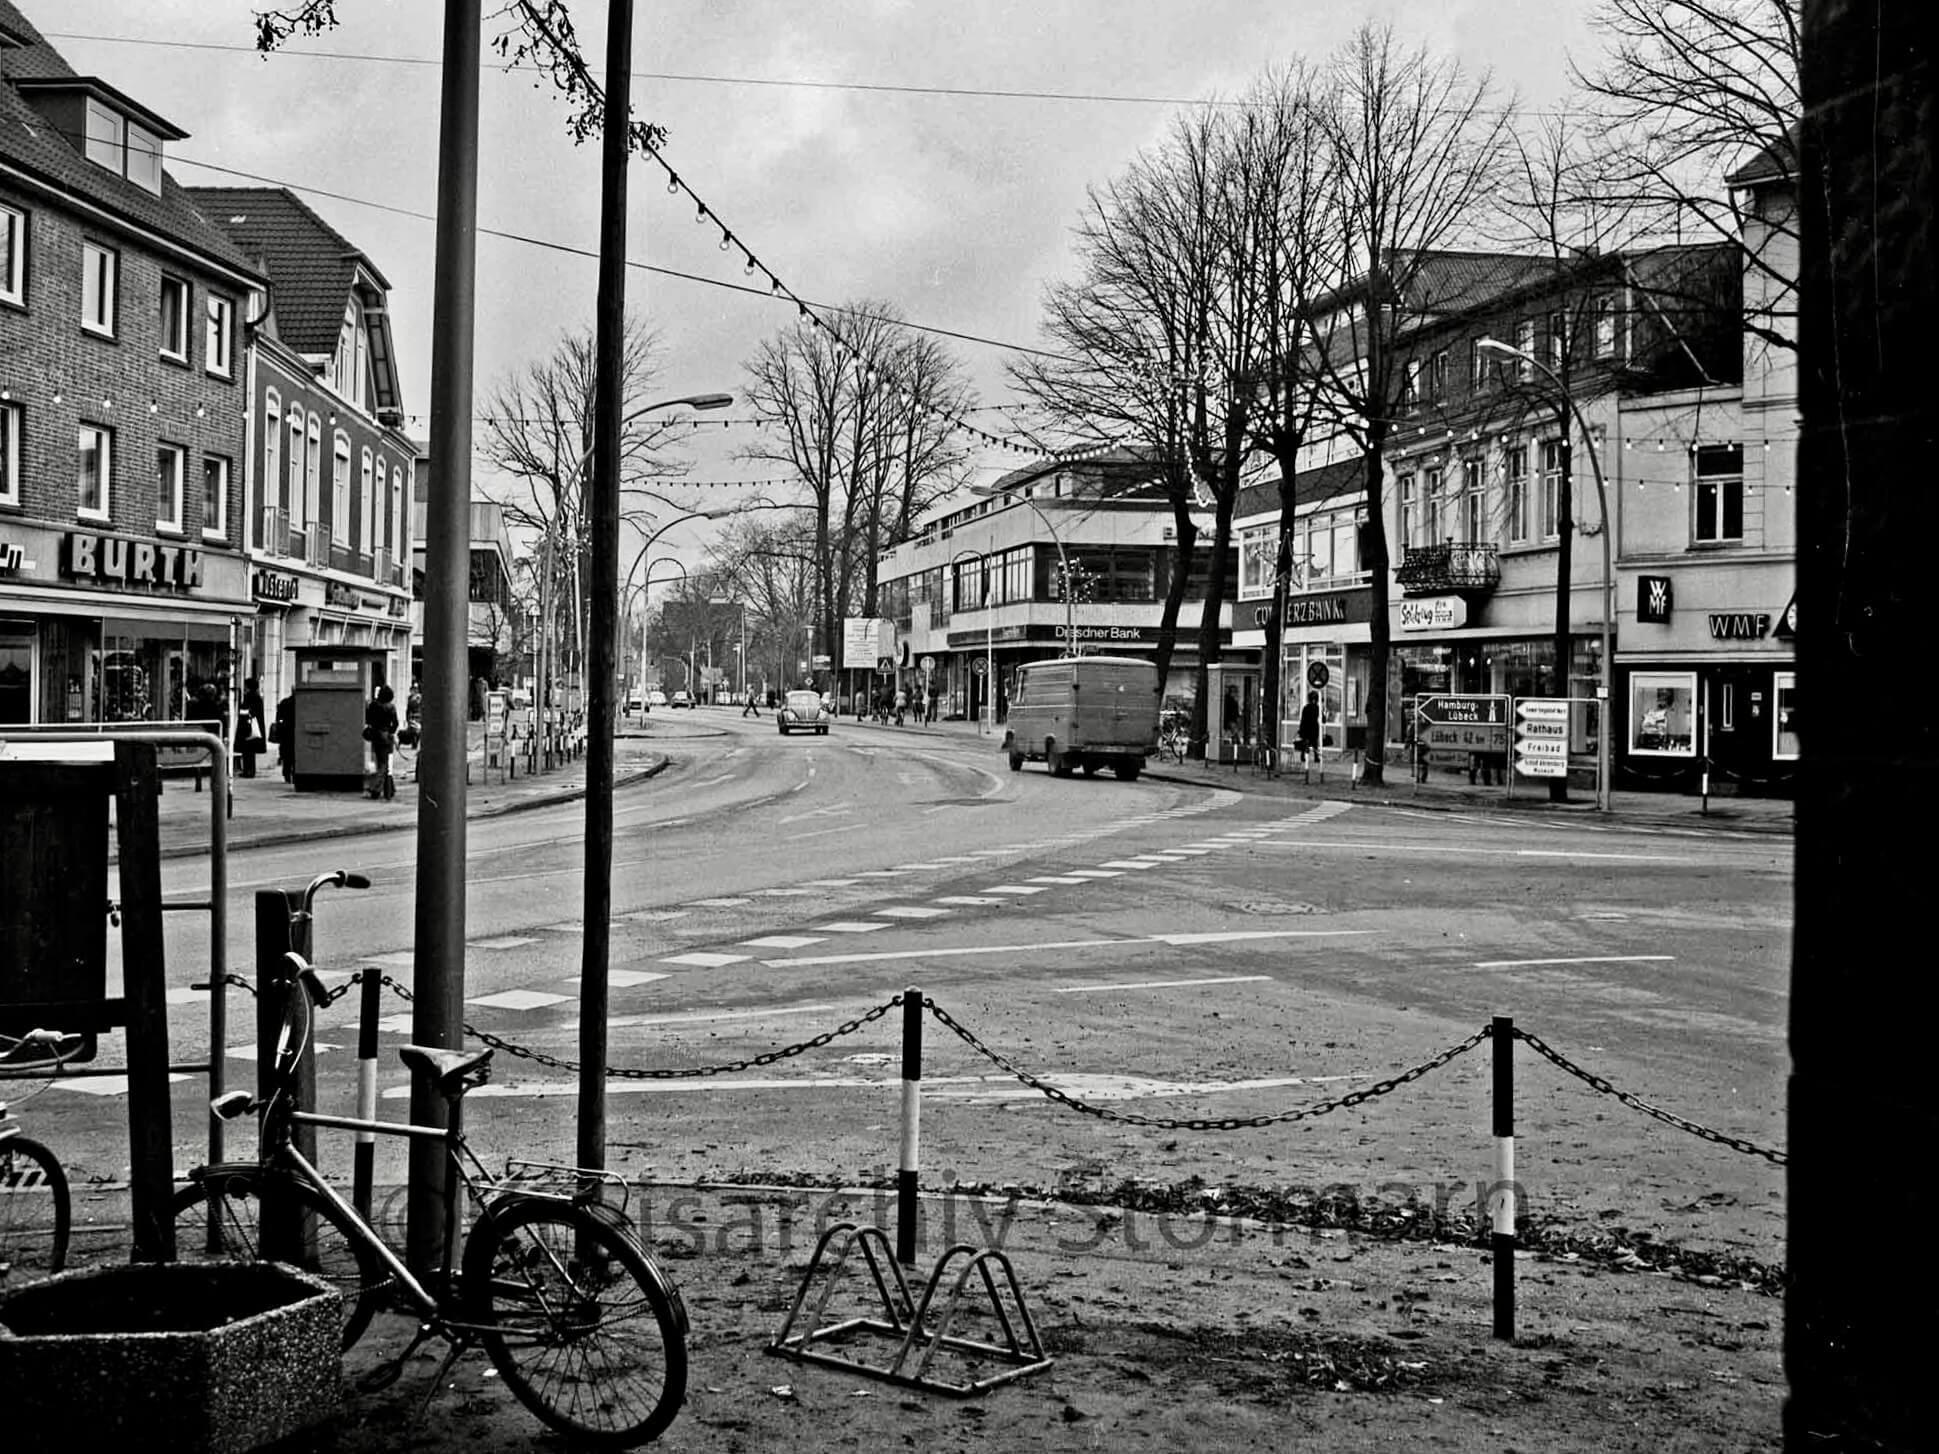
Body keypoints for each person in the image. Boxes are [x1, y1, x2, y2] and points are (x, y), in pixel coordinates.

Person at [364, 683, 400, 801]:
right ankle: (376, 788)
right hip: (385, 736)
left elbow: (368, 718)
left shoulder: (373, 705)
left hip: (375, 735)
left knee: (380, 761)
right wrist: (390, 731)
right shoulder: (391, 707)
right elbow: (395, 723)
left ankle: (390, 788)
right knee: (384, 764)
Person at [239, 676, 266, 778]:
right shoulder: (257, 697)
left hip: (248, 725)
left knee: (247, 750)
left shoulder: (249, 697)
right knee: (250, 750)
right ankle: (250, 770)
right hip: (254, 725)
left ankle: (248, 770)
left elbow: (246, 710)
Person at [273, 694, 296, 782]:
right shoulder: (300, 702)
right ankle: (294, 774)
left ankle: (286, 774)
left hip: (285, 732)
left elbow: (278, 717)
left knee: (286, 755)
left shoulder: (284, 702)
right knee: (294, 755)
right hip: (295, 732)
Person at [1297, 690, 1320, 766]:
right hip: (1311, 727)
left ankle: (1305, 756)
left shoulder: (1307, 708)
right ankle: (1314, 757)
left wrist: (1301, 729)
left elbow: (1303, 719)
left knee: (1308, 743)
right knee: (1313, 743)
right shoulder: (1316, 708)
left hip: (1308, 728)